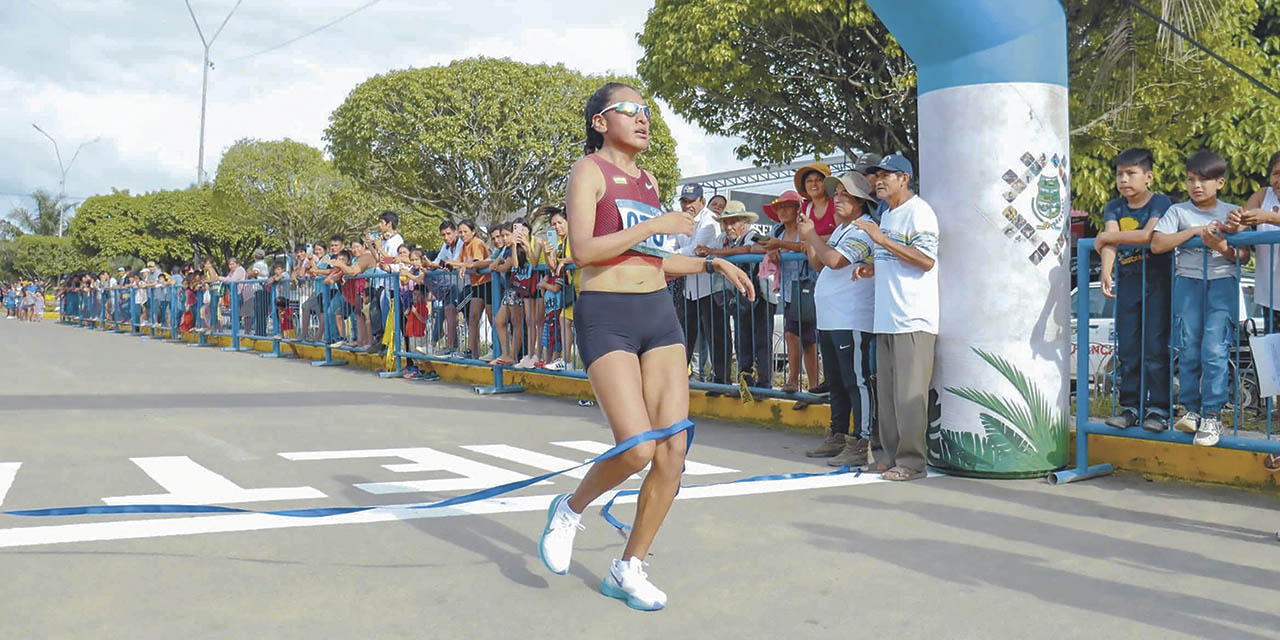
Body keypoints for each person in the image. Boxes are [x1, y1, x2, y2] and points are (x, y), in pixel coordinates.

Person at [536, 81, 753, 611]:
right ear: (600, 122)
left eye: (646, 112)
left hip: (658, 315)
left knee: (674, 448)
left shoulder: (651, 181)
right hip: (607, 316)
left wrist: (712, 262)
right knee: (637, 448)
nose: (642, 119)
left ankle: (628, 566)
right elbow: (585, 250)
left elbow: (653, 261)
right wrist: (656, 225)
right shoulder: (589, 171)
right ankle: (570, 507)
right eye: (628, 110)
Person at [1151, 150, 1246, 447]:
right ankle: (1191, 410)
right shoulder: (1178, 212)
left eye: (1204, 180)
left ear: (1220, 182)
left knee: (1215, 350)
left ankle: (1213, 414)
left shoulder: (1233, 211)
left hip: (1222, 284)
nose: (1197, 186)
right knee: (1189, 347)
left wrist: (1219, 245)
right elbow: (1157, 243)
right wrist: (1194, 232)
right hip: (1188, 283)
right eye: (1191, 179)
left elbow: (1243, 254)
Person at [856, 153, 939, 482]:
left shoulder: (920, 213)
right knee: (888, 394)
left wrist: (882, 240)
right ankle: (890, 456)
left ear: (904, 178)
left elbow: (926, 260)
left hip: (913, 318)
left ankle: (912, 463)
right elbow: (896, 258)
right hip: (887, 317)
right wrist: (872, 266)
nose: (878, 181)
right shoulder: (889, 215)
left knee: (909, 395)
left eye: (886, 175)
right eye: (876, 176)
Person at [800, 172, 879, 466]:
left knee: (854, 380)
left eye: (845, 196)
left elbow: (835, 261)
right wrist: (811, 239)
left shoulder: (864, 229)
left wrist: (810, 236)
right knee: (836, 380)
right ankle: (837, 434)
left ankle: (861, 440)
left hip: (852, 317)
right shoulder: (842, 230)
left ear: (860, 201)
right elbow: (818, 261)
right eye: (837, 195)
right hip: (832, 318)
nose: (838, 200)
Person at [1092, 148, 1174, 432]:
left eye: (1131, 173)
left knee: (1154, 347)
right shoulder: (1114, 207)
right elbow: (1111, 244)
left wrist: (1105, 236)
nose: (1124, 179)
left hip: (1157, 283)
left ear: (1148, 176)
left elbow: (1149, 236)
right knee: (1127, 348)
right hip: (1127, 281)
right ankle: (1130, 407)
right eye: (1119, 174)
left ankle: (1159, 409)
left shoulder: (1161, 202)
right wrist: (1106, 270)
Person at [1228, 149, 1280, 472]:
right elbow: (1242, 232)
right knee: (1277, 377)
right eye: (1276, 172)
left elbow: (1265, 221)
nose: (1279, 179)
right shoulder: (1261, 196)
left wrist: (1271, 219)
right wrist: (1237, 222)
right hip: (1270, 299)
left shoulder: (1268, 209)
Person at [696, 201, 773, 389]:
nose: (728, 227)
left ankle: (764, 385)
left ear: (744, 222)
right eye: (726, 222)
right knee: (742, 342)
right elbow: (704, 251)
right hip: (738, 297)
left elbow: (748, 249)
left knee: (762, 342)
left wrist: (715, 253)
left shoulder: (754, 234)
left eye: (734, 222)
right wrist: (705, 251)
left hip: (761, 296)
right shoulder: (721, 238)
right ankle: (746, 383)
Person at [675, 183, 731, 387]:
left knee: (717, 336)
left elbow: (692, 251)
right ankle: (679, 380)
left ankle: (722, 382)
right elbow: (673, 245)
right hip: (690, 288)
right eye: (684, 201)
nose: (687, 205)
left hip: (711, 287)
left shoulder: (710, 221)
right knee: (684, 336)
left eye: (692, 201)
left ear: (702, 201)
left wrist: (667, 257)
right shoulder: (682, 220)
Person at [763, 190, 819, 393]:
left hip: (806, 287)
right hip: (788, 291)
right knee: (791, 334)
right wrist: (771, 250)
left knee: (808, 340)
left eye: (786, 206)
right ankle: (794, 381)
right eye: (779, 207)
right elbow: (764, 248)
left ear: (797, 209)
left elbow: (807, 246)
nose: (782, 210)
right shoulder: (777, 231)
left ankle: (812, 386)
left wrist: (780, 245)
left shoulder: (804, 228)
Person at [432, 221, 466, 356]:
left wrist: (443, 264)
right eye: (443, 235)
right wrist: (430, 264)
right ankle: (451, 347)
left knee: (470, 317)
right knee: (447, 310)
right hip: (454, 287)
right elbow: (438, 261)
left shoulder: (462, 244)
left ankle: (465, 350)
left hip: (470, 286)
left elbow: (454, 262)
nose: (446, 237)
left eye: (448, 234)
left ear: (455, 233)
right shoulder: (445, 246)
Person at [795, 160, 838, 238]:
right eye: (809, 181)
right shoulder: (804, 209)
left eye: (819, 180)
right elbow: (803, 239)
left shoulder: (836, 204)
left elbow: (841, 236)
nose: (813, 184)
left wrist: (814, 240)